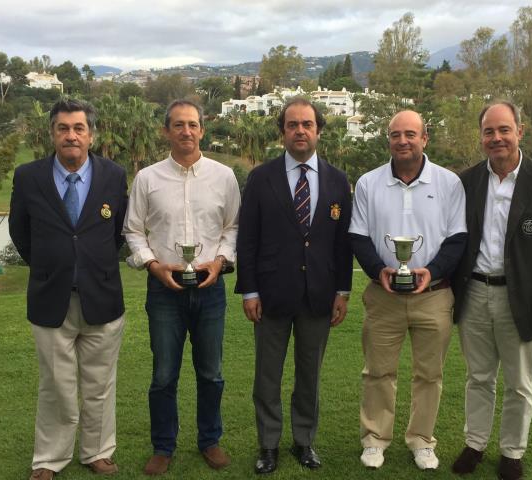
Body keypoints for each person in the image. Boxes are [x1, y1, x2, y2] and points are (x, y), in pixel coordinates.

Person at [451, 101, 532, 480]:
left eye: (504, 130)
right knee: (478, 377)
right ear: (481, 137)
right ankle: (475, 444)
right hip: (473, 293)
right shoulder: (467, 181)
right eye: (489, 131)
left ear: (520, 131)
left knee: (519, 383)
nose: (496, 138)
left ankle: (512, 451)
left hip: (520, 298)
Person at [9, 99, 128, 480]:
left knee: (99, 383)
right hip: (50, 298)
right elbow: (19, 233)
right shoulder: (29, 177)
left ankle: (97, 452)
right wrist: (51, 266)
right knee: (56, 385)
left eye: (78, 128)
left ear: (91, 135)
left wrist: (92, 264)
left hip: (102, 296)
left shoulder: (114, 174)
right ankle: (49, 459)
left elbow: (118, 233)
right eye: (63, 128)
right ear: (52, 134)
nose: (71, 135)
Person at [235, 97, 353, 474]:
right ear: (282, 132)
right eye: (292, 125)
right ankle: (268, 445)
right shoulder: (261, 178)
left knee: (310, 377)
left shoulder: (337, 180)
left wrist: (343, 291)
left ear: (318, 130)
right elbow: (247, 239)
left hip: (319, 295)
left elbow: (343, 243)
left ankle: (304, 441)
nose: (300, 130)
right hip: (271, 296)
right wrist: (249, 291)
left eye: (307, 124)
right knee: (267, 377)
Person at [122, 99, 239, 475]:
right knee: (163, 375)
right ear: (166, 131)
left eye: (192, 124)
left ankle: (209, 440)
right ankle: (163, 446)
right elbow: (133, 231)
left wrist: (219, 262)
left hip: (210, 289)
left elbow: (233, 228)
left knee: (211, 372)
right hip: (164, 292)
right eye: (178, 125)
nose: (186, 131)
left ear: (202, 129)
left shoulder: (224, 176)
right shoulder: (148, 179)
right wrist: (153, 266)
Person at [350, 110, 467, 471]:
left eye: (410, 134)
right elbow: (358, 235)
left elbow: (457, 238)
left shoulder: (449, 183)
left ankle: (421, 440)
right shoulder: (369, 183)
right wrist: (378, 269)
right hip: (383, 295)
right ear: (388, 139)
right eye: (396, 135)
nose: (403, 141)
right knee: (377, 371)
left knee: (429, 374)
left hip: (433, 296)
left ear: (424, 138)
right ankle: (375, 439)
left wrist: (429, 273)